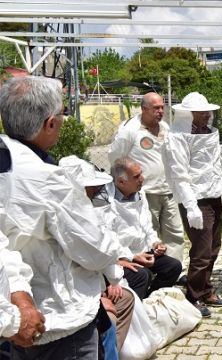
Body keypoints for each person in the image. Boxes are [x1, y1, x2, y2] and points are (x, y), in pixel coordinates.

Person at [0, 76, 120, 359]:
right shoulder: (48, 179)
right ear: (50, 123)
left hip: (15, 317)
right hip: (57, 320)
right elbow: (95, 251)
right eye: (63, 114)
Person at [58, 155, 136, 353]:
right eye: (91, 187)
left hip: (87, 287)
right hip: (70, 299)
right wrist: (112, 280)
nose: (96, 191)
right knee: (106, 327)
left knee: (123, 302)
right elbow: (98, 251)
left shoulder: (73, 209)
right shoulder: (70, 215)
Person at [163, 92, 222, 317]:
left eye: (207, 111)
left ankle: (206, 289)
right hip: (195, 199)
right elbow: (179, 174)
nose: (208, 115)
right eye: (202, 112)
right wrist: (191, 206)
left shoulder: (206, 132)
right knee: (201, 251)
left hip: (213, 195)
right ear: (189, 114)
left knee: (214, 247)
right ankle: (194, 296)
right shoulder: (176, 137)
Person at [108, 92, 185, 268]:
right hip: (146, 191)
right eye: (156, 108)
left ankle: (176, 270)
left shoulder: (165, 127)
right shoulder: (129, 130)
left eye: (162, 107)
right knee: (150, 234)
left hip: (169, 189)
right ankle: (150, 270)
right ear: (144, 109)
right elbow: (116, 159)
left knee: (174, 233)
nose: (160, 111)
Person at [108, 157, 182, 300]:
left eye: (141, 173)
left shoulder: (140, 193)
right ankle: (136, 308)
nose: (142, 178)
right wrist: (132, 257)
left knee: (173, 267)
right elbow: (108, 239)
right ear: (121, 181)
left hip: (143, 252)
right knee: (143, 275)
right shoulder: (107, 202)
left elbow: (147, 225)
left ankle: (149, 300)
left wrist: (155, 243)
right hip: (120, 257)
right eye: (136, 176)